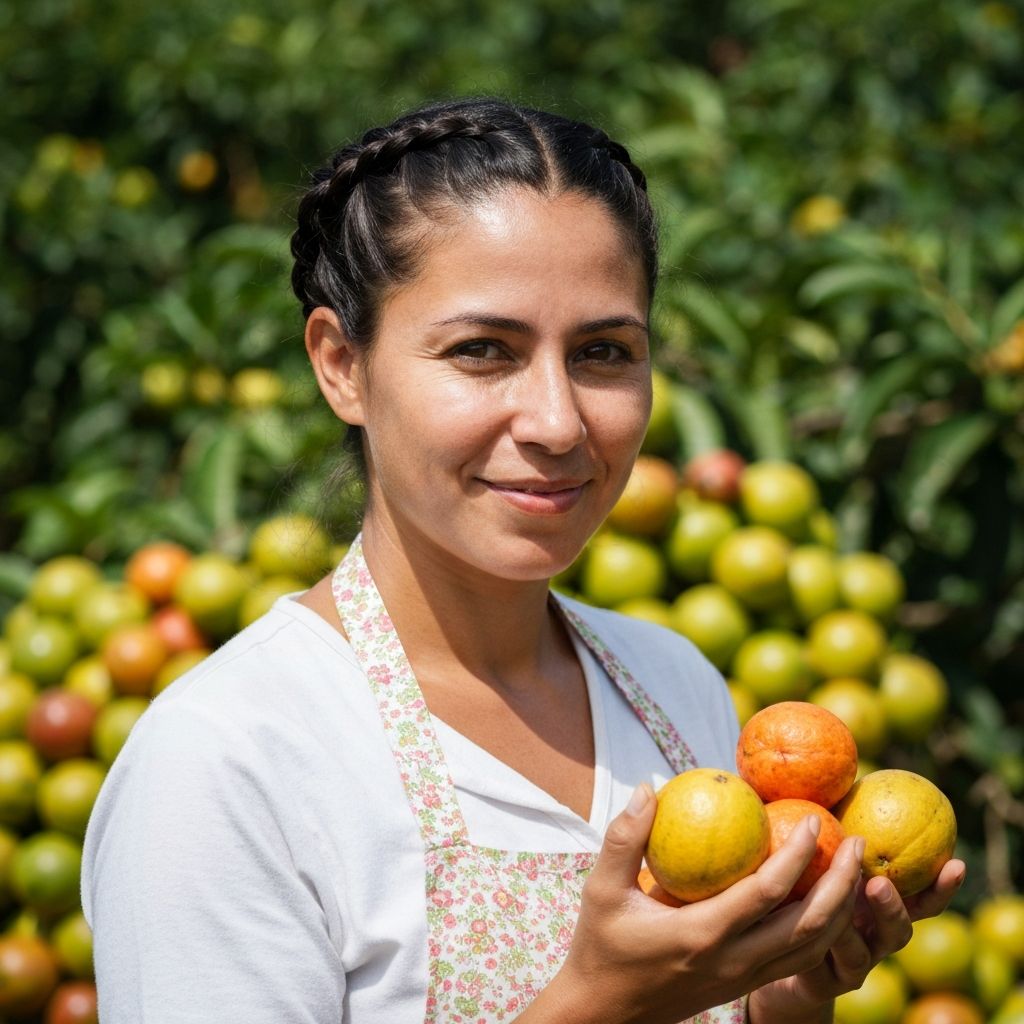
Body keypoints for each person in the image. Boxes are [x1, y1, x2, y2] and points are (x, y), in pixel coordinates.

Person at [81, 97, 965, 1024]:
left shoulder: (676, 691)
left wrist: (784, 990)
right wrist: (603, 1003)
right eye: (482, 351)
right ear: (342, 364)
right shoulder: (230, 762)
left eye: (604, 352)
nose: (556, 421)